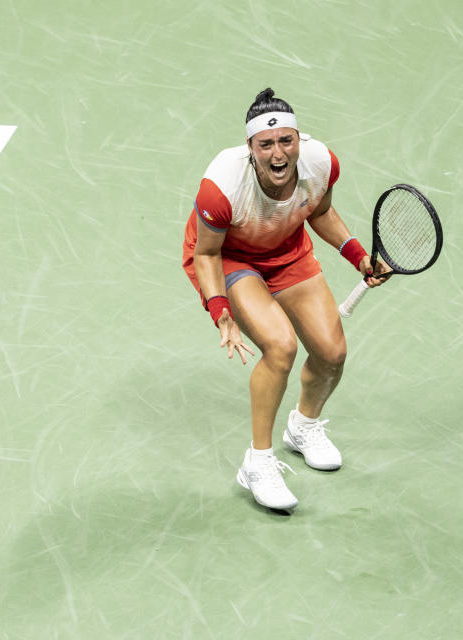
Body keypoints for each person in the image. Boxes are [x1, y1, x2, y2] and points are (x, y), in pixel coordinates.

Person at [182, 88, 388, 511]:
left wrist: (358, 256)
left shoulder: (320, 163)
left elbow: (319, 211)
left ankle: (303, 427)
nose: (278, 153)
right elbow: (206, 253)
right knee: (280, 346)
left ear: (299, 139)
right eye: (266, 145)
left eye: (286, 141)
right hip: (230, 258)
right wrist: (220, 309)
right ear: (250, 148)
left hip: (287, 252)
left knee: (331, 353)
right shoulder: (220, 187)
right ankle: (258, 463)